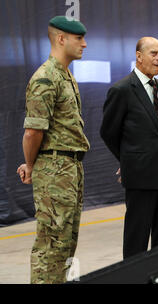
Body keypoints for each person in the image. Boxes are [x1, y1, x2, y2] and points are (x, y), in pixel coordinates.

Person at [16, 16, 89, 284]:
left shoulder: (66, 75)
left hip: (69, 169)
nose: (84, 44)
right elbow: (33, 132)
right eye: (78, 38)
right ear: (61, 39)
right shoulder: (46, 78)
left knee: (65, 245)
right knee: (50, 245)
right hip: (55, 172)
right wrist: (31, 165)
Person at [100, 37, 158, 259]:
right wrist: (128, 161)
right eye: (153, 53)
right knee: (137, 238)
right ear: (138, 56)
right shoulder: (122, 90)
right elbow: (108, 132)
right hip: (140, 176)